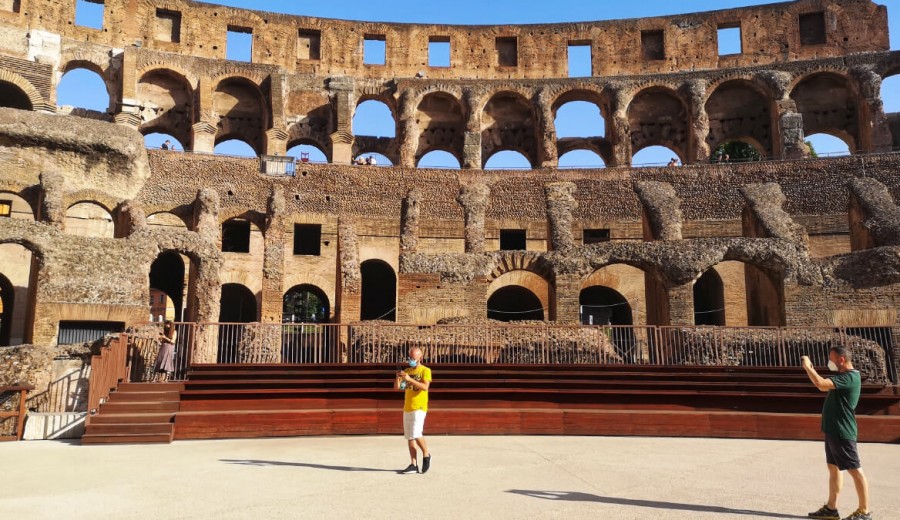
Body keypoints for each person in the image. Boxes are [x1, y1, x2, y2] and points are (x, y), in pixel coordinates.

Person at [802, 348, 872, 520]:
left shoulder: (849, 377)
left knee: (855, 470)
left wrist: (808, 367)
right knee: (833, 469)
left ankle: (864, 511)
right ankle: (831, 509)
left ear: (841, 360)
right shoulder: (843, 377)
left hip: (843, 432)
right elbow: (821, 387)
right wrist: (810, 370)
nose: (829, 362)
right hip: (834, 431)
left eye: (831, 359)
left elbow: (820, 383)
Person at [394, 347, 432, 474]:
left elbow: (425, 387)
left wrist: (410, 379)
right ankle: (413, 464)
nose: (411, 360)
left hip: (419, 406)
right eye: (410, 358)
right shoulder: (407, 371)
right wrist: (398, 379)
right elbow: (399, 388)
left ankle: (426, 454)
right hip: (408, 406)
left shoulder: (425, 370)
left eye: (413, 358)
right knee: (410, 436)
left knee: (416, 433)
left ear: (420, 358)